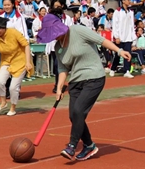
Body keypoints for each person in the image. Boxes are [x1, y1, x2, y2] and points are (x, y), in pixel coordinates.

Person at [37, 13, 131, 161]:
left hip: (94, 77)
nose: (53, 36)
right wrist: (60, 87)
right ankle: (89, 145)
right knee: (73, 115)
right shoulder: (57, 46)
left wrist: (119, 51)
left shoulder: (77, 31)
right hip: (75, 81)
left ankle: (72, 145)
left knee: (78, 110)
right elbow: (63, 69)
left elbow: (101, 40)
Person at [0, 16, 34, 116]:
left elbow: (26, 45)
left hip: (20, 62)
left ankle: (13, 108)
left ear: (3, 27)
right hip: (6, 62)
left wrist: (28, 62)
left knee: (13, 88)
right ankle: (3, 102)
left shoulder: (13, 32)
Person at [109, 0, 135, 78]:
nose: (129, 1)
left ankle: (126, 71)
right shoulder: (118, 11)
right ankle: (113, 69)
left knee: (128, 54)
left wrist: (133, 37)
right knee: (118, 54)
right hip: (120, 37)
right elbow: (115, 24)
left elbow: (132, 25)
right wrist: (116, 36)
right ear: (123, 1)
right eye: (127, 0)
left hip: (128, 37)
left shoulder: (131, 12)